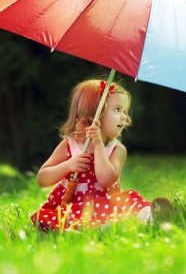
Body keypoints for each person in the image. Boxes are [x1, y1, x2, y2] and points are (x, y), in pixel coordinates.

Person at [31, 77, 172, 231]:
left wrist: (98, 145)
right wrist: (68, 165)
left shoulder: (116, 149)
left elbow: (106, 180)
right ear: (93, 114)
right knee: (49, 217)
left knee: (131, 198)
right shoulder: (69, 146)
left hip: (106, 206)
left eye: (124, 111)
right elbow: (42, 179)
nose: (124, 116)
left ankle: (150, 217)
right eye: (117, 109)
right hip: (73, 209)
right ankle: (79, 230)